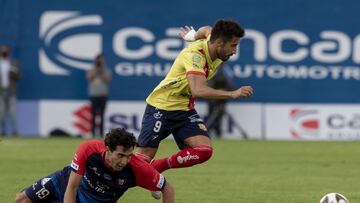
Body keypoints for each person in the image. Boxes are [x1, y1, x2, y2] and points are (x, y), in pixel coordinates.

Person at [135, 19, 253, 198]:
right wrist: (231, 94)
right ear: (219, 43)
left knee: (204, 151)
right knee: (139, 162)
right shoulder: (195, 55)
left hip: (184, 109)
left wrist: (191, 35)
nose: (235, 51)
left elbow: (206, 29)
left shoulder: (214, 41)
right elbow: (198, 89)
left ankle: (157, 168)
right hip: (161, 106)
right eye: (233, 46)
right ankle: (104, 188)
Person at [14, 128, 175, 203]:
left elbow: (167, 187)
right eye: (120, 155)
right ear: (107, 150)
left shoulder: (137, 168)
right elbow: (71, 187)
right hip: (67, 182)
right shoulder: (88, 149)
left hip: (96, 200)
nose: (124, 161)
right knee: (21, 199)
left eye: (129, 156)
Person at [86, 53, 111, 137]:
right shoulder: (92, 69)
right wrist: (97, 68)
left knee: (102, 116)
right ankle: (93, 133)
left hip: (103, 95)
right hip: (94, 95)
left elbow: (107, 79)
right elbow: (89, 77)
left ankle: (100, 134)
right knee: (93, 115)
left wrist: (101, 70)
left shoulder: (105, 70)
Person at [206, 65, 234, 138]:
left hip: (221, 100)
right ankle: (206, 133)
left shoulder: (225, 72)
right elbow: (208, 86)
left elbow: (229, 86)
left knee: (218, 118)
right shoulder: (212, 71)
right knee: (212, 117)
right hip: (213, 100)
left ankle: (217, 133)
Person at [0, 45, 20, 136]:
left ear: (8, 52)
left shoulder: (13, 63)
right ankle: (2, 131)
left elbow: (18, 76)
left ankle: (14, 131)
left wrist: (12, 72)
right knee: (2, 113)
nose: (4, 52)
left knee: (12, 112)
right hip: (1, 91)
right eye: (2, 50)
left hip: (11, 91)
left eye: (5, 50)